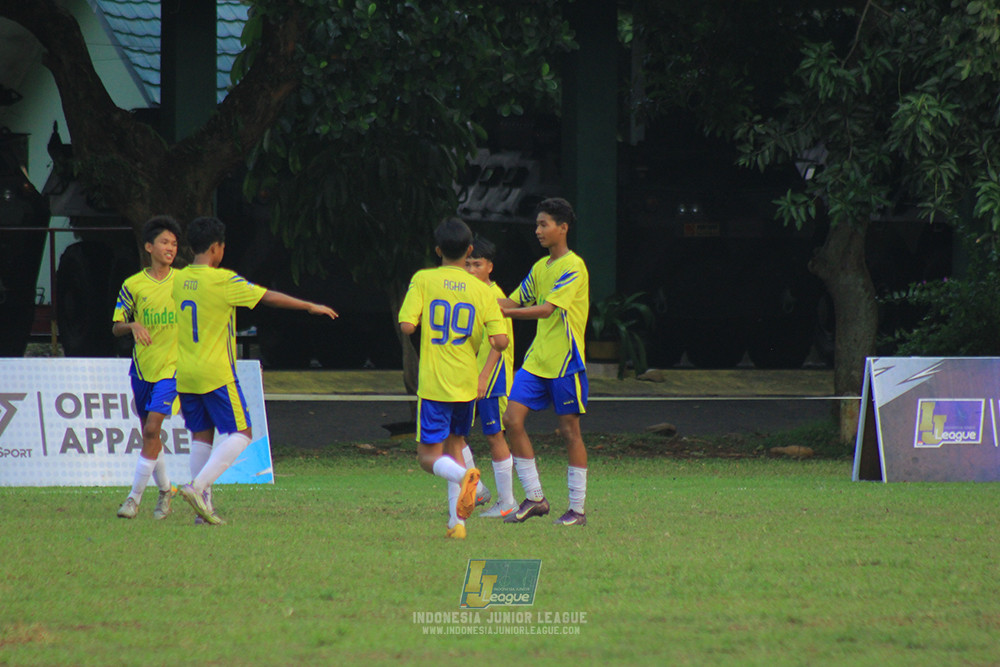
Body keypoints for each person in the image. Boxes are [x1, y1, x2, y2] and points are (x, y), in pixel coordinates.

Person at [173, 216, 338, 525]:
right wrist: (309, 306)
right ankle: (197, 487)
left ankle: (202, 508)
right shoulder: (222, 280)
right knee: (243, 433)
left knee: (201, 436)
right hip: (215, 372)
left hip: (186, 372)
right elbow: (267, 297)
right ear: (215, 248)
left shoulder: (179, 279)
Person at [398, 217, 508, 539]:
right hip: (466, 382)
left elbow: (407, 326)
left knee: (428, 457)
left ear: (437, 250)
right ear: (469, 250)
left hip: (435, 382)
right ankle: (456, 524)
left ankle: (465, 478)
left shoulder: (423, 279)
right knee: (456, 444)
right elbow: (500, 341)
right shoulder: (482, 290)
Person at [499, 197, 590, 526]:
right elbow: (511, 300)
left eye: (543, 224)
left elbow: (547, 309)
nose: (537, 230)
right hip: (536, 361)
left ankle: (577, 510)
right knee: (512, 418)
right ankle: (535, 497)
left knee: (570, 431)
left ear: (562, 228)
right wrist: (476, 296)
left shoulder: (573, 266)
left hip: (565, 362)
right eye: (537, 224)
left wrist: (506, 311)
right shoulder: (540, 268)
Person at [113, 215, 183, 520]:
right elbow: (116, 327)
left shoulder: (183, 283)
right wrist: (133, 325)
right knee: (149, 435)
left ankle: (133, 499)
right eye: (165, 242)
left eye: (174, 244)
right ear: (149, 246)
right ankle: (167, 491)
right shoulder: (133, 285)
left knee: (153, 427)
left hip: (173, 369)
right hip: (142, 371)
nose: (170, 248)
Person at [463, 235, 519, 518]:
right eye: (468, 264)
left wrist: (484, 377)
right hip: (470, 374)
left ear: (490, 267)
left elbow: (499, 343)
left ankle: (507, 502)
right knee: (454, 433)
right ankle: (479, 488)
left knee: (494, 435)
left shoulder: (495, 298)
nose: (471, 270)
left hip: (492, 376)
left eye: (477, 264)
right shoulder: (470, 294)